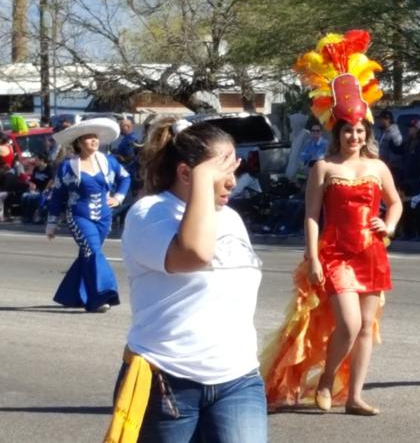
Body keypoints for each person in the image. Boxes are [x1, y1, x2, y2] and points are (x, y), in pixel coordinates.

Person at [261, 30, 401, 416]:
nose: (354, 136)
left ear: (366, 133)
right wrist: (313, 257)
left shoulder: (377, 166)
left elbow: (395, 203)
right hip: (336, 253)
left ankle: (354, 396)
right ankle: (325, 381)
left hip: (371, 252)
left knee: (367, 326)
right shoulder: (323, 167)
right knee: (350, 323)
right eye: (348, 130)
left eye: (360, 131)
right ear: (337, 132)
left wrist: (388, 226)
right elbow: (311, 214)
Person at [105, 117, 267, 442]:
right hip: (168, 379)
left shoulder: (231, 218)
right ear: (185, 174)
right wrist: (203, 178)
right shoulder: (149, 212)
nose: (232, 182)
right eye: (222, 171)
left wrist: (206, 176)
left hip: (238, 377)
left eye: (234, 170)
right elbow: (194, 254)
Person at [46, 118, 130, 312]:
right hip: (79, 216)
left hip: (104, 218)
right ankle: (101, 296)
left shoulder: (109, 161)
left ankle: (71, 294)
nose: (94, 141)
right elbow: (57, 195)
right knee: (93, 251)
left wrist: (118, 198)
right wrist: (52, 222)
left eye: (96, 137)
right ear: (79, 142)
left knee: (88, 254)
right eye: (89, 137)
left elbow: (125, 178)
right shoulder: (68, 166)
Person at [401, 117, 420, 196]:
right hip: (407, 175)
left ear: (418, 129)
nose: (409, 129)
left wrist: (414, 171)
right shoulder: (409, 141)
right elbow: (403, 153)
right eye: (410, 127)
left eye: (412, 127)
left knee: (413, 195)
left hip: (415, 176)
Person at [375, 109, 403, 180]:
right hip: (382, 166)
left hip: (392, 168)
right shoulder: (382, 132)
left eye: (381, 119)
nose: (379, 121)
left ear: (387, 120)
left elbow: (397, 152)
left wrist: (389, 165)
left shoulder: (394, 133)